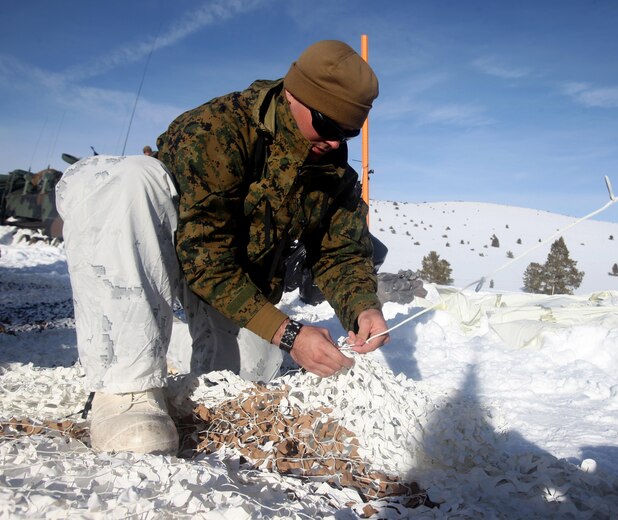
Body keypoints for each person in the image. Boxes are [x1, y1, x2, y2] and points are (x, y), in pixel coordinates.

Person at [56, 40, 389, 456]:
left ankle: (169, 341)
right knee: (127, 179)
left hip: (239, 284)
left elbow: (341, 250)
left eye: (349, 132)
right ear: (293, 95)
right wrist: (288, 334)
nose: (336, 142)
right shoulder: (217, 130)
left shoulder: (331, 169)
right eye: (327, 125)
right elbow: (203, 257)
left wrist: (363, 306)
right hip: (173, 257)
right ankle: (126, 389)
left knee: (240, 384)